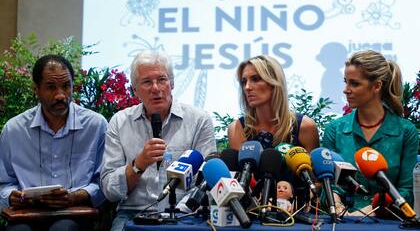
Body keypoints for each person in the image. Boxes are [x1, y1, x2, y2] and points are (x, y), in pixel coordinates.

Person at [100, 51, 216, 231]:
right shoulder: (119, 122)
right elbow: (109, 191)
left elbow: (205, 182)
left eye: (162, 80)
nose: (155, 88)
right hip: (133, 214)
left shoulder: (199, 120)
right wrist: (138, 165)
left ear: (172, 83)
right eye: (147, 82)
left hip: (183, 215)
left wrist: (175, 216)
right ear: (135, 89)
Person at [0, 54, 107, 230]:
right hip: (26, 213)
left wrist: (76, 196)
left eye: (66, 86)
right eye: (51, 87)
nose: (60, 95)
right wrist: (11, 197)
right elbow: (4, 182)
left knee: (63, 228)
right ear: (36, 89)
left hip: (74, 213)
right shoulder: (15, 129)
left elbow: (104, 181)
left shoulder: (95, 125)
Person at [322, 50, 419, 216]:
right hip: (340, 221)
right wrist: (336, 206)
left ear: (376, 86)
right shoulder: (334, 129)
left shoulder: (406, 131)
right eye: (345, 82)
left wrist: (369, 211)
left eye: (354, 83)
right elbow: (327, 185)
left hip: (387, 223)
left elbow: (407, 191)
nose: (346, 90)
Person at [227, 55, 319, 152]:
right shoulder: (237, 129)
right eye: (244, 82)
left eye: (256, 79)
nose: (247, 87)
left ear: (274, 83)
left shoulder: (305, 127)